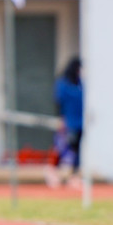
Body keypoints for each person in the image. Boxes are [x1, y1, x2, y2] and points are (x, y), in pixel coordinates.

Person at [46, 57, 84, 190]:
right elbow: (58, 102)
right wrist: (60, 118)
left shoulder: (81, 84)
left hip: (80, 122)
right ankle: (52, 171)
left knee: (77, 150)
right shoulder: (63, 84)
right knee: (62, 147)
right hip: (68, 121)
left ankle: (74, 176)